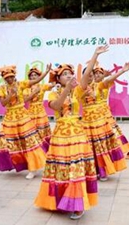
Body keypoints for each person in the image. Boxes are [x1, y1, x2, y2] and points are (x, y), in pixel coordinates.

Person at [35, 47, 108, 219]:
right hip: (60, 134)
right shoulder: (53, 93)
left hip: (77, 133)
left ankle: (77, 204)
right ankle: (59, 200)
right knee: (61, 167)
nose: (69, 76)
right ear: (58, 79)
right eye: (65, 74)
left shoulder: (78, 90)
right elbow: (56, 106)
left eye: (70, 73)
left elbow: (86, 75)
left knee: (76, 167)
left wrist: (95, 55)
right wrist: (67, 89)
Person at [77, 48, 128, 182]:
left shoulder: (98, 86)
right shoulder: (80, 87)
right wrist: (96, 54)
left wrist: (122, 71)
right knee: (90, 147)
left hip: (100, 122)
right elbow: (87, 71)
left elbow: (107, 80)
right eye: (87, 76)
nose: (89, 77)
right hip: (87, 123)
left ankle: (103, 170)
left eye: (91, 76)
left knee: (101, 146)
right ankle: (91, 171)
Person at [0, 64, 51, 179]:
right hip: (10, 117)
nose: (9, 79)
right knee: (5, 140)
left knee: (29, 141)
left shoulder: (21, 84)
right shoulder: (1, 88)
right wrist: (11, 95)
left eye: (11, 76)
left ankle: (33, 168)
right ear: (4, 78)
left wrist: (46, 72)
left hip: (22, 115)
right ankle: (16, 163)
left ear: (14, 76)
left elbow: (36, 81)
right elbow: (3, 103)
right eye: (7, 77)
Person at [93, 65, 129, 156]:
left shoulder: (104, 84)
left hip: (105, 112)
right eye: (96, 73)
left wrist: (122, 71)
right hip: (94, 113)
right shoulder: (90, 86)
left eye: (100, 73)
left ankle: (117, 149)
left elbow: (109, 79)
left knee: (112, 130)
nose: (98, 75)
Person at [23, 67, 54, 152]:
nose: (33, 77)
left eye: (35, 75)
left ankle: (44, 148)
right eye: (31, 75)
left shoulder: (42, 86)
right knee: (32, 131)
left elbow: (53, 85)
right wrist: (33, 93)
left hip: (41, 112)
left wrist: (52, 73)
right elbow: (25, 100)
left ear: (39, 76)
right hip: (31, 111)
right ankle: (35, 149)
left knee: (42, 130)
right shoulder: (26, 88)